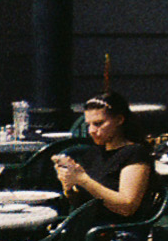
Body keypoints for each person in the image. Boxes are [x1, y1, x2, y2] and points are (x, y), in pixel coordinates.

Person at [52, 92, 156, 221]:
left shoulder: (135, 153)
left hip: (116, 232)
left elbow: (127, 207)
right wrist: (68, 184)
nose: (91, 130)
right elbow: (80, 203)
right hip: (88, 227)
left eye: (98, 123)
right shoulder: (94, 153)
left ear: (119, 120)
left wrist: (83, 179)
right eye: (88, 124)